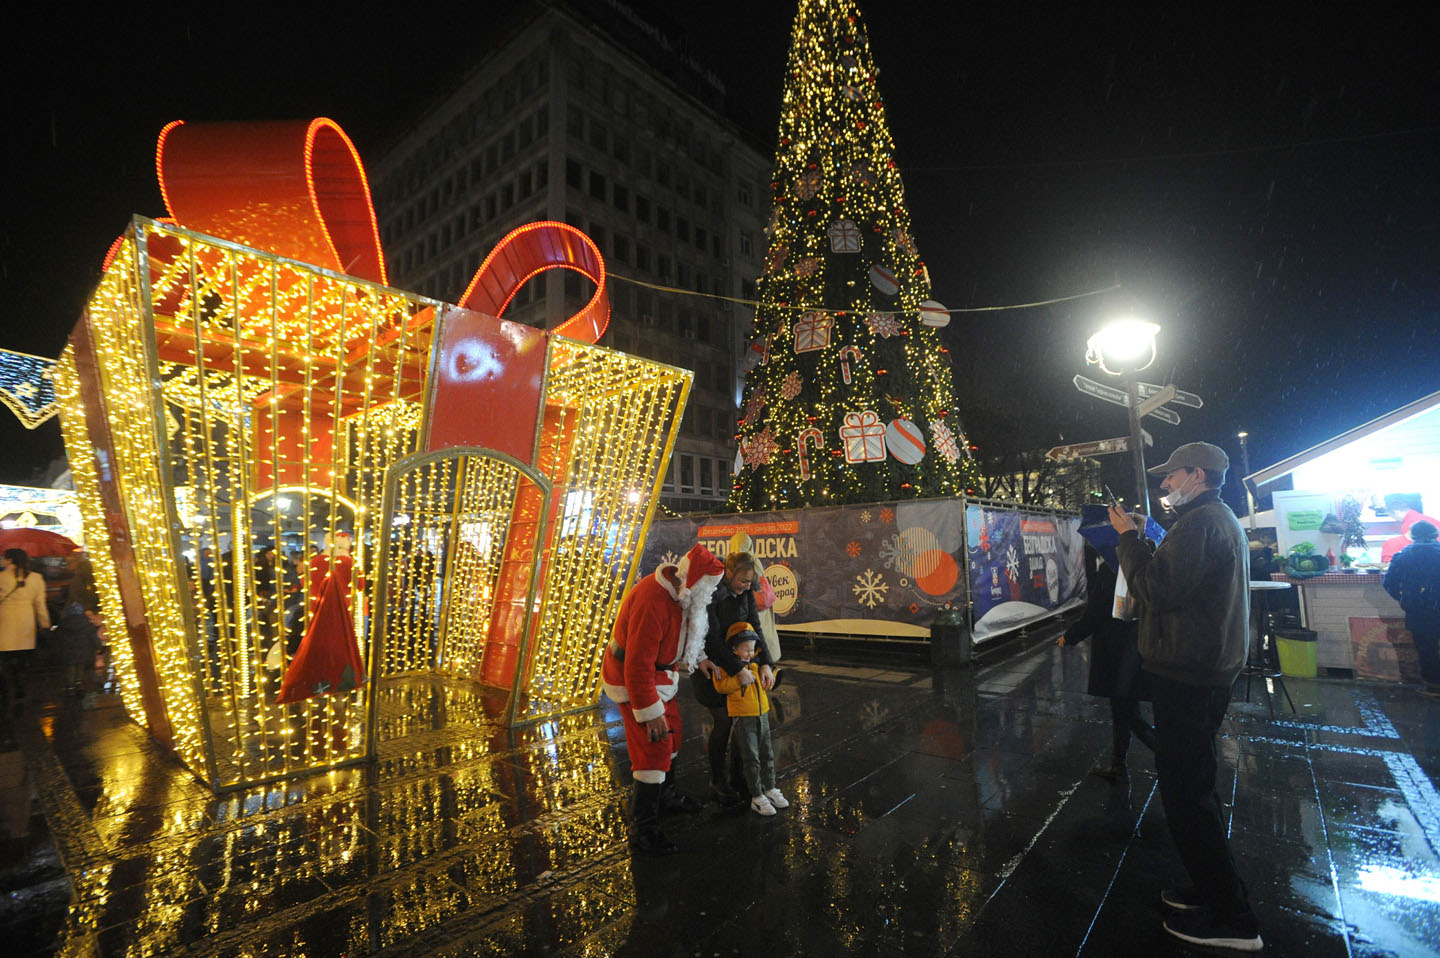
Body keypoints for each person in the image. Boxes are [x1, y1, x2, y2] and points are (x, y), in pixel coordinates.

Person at [1109, 442, 1262, 952]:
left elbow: (1154, 589)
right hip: (1200, 671)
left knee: (1188, 796)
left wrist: (1130, 540)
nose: (1163, 486)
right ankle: (1210, 889)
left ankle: (1232, 917)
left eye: (1170, 476)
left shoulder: (1200, 524)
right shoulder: (1213, 519)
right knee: (1191, 787)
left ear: (1197, 475)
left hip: (1189, 676)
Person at [601, 543, 724, 855]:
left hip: (660, 675)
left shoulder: (684, 596)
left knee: (675, 735)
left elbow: (687, 633)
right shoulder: (652, 600)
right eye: (708, 587)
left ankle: (666, 795)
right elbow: (637, 665)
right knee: (653, 747)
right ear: (694, 582)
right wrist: (649, 712)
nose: (708, 595)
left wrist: (701, 657)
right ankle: (643, 828)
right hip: (633, 681)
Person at [1057, 542, 1156, 782]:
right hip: (1139, 643)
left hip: (1117, 650)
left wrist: (1070, 636)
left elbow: (1095, 612)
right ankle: (1118, 764)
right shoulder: (1148, 566)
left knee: (1126, 711)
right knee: (1124, 709)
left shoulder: (1111, 570)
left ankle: (1171, 756)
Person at [699, 551, 775, 807]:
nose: (746, 586)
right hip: (714, 667)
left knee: (745, 720)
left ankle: (741, 778)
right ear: (728, 574)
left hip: (742, 663)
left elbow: (755, 626)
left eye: (749, 582)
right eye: (742, 581)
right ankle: (718, 781)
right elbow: (711, 638)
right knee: (723, 720)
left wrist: (764, 662)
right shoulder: (712, 594)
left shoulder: (745, 592)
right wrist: (735, 668)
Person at [711, 623, 789, 816]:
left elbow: (764, 686)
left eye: (752, 649)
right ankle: (756, 795)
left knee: (768, 754)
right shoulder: (727, 668)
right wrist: (739, 678)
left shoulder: (755, 665)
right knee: (751, 758)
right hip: (744, 718)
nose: (749, 653)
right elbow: (721, 687)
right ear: (733, 648)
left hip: (761, 714)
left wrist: (772, 675)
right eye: (745, 649)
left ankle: (770, 788)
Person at [0, 549, 52, 749]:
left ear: (10, 559)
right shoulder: (37, 578)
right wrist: (45, 625)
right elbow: (40, 604)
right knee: (22, 659)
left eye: (4, 557)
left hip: (5, 625)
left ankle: (8, 688)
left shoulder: (1, 578)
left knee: (5, 659)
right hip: (25, 625)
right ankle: (20, 688)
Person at [1383, 519, 1440, 696]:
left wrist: (1403, 600)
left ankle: (1434, 686)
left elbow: (1389, 583)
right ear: (1435, 535)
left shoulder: (1403, 555)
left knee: (1426, 648)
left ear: (1412, 536)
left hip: (1418, 609)